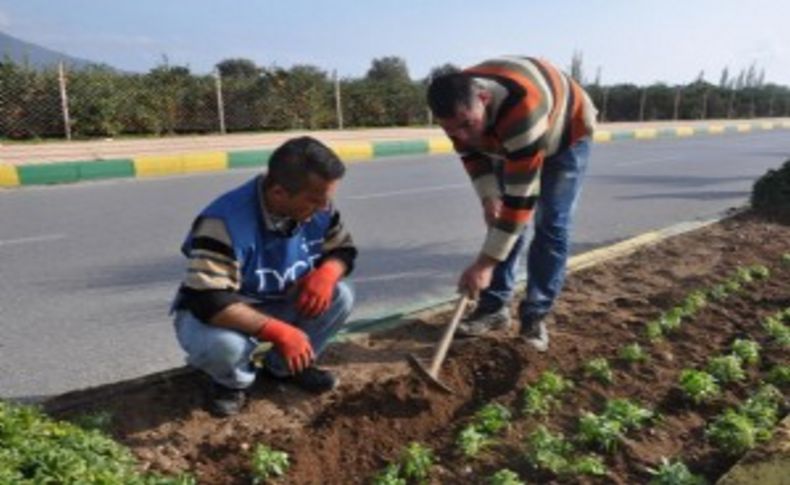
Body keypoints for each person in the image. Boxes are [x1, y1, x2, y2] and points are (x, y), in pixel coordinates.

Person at [171, 136, 356, 416]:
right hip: (223, 314)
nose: (323, 207)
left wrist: (327, 274)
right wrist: (280, 331)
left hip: (277, 300)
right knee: (224, 346)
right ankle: (231, 383)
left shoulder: (319, 207)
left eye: (326, 199)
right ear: (280, 192)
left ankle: (283, 368)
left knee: (341, 295)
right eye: (315, 200)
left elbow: (343, 250)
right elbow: (207, 299)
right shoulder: (224, 221)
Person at [427, 56, 597, 351]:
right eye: (452, 130)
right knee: (500, 219)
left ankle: (534, 316)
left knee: (551, 224)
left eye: (467, 125)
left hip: (567, 130)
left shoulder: (522, 111)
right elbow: (470, 153)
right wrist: (488, 196)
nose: (462, 136)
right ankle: (493, 308)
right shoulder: (456, 109)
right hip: (507, 133)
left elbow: (520, 202)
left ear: (483, 98)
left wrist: (484, 264)